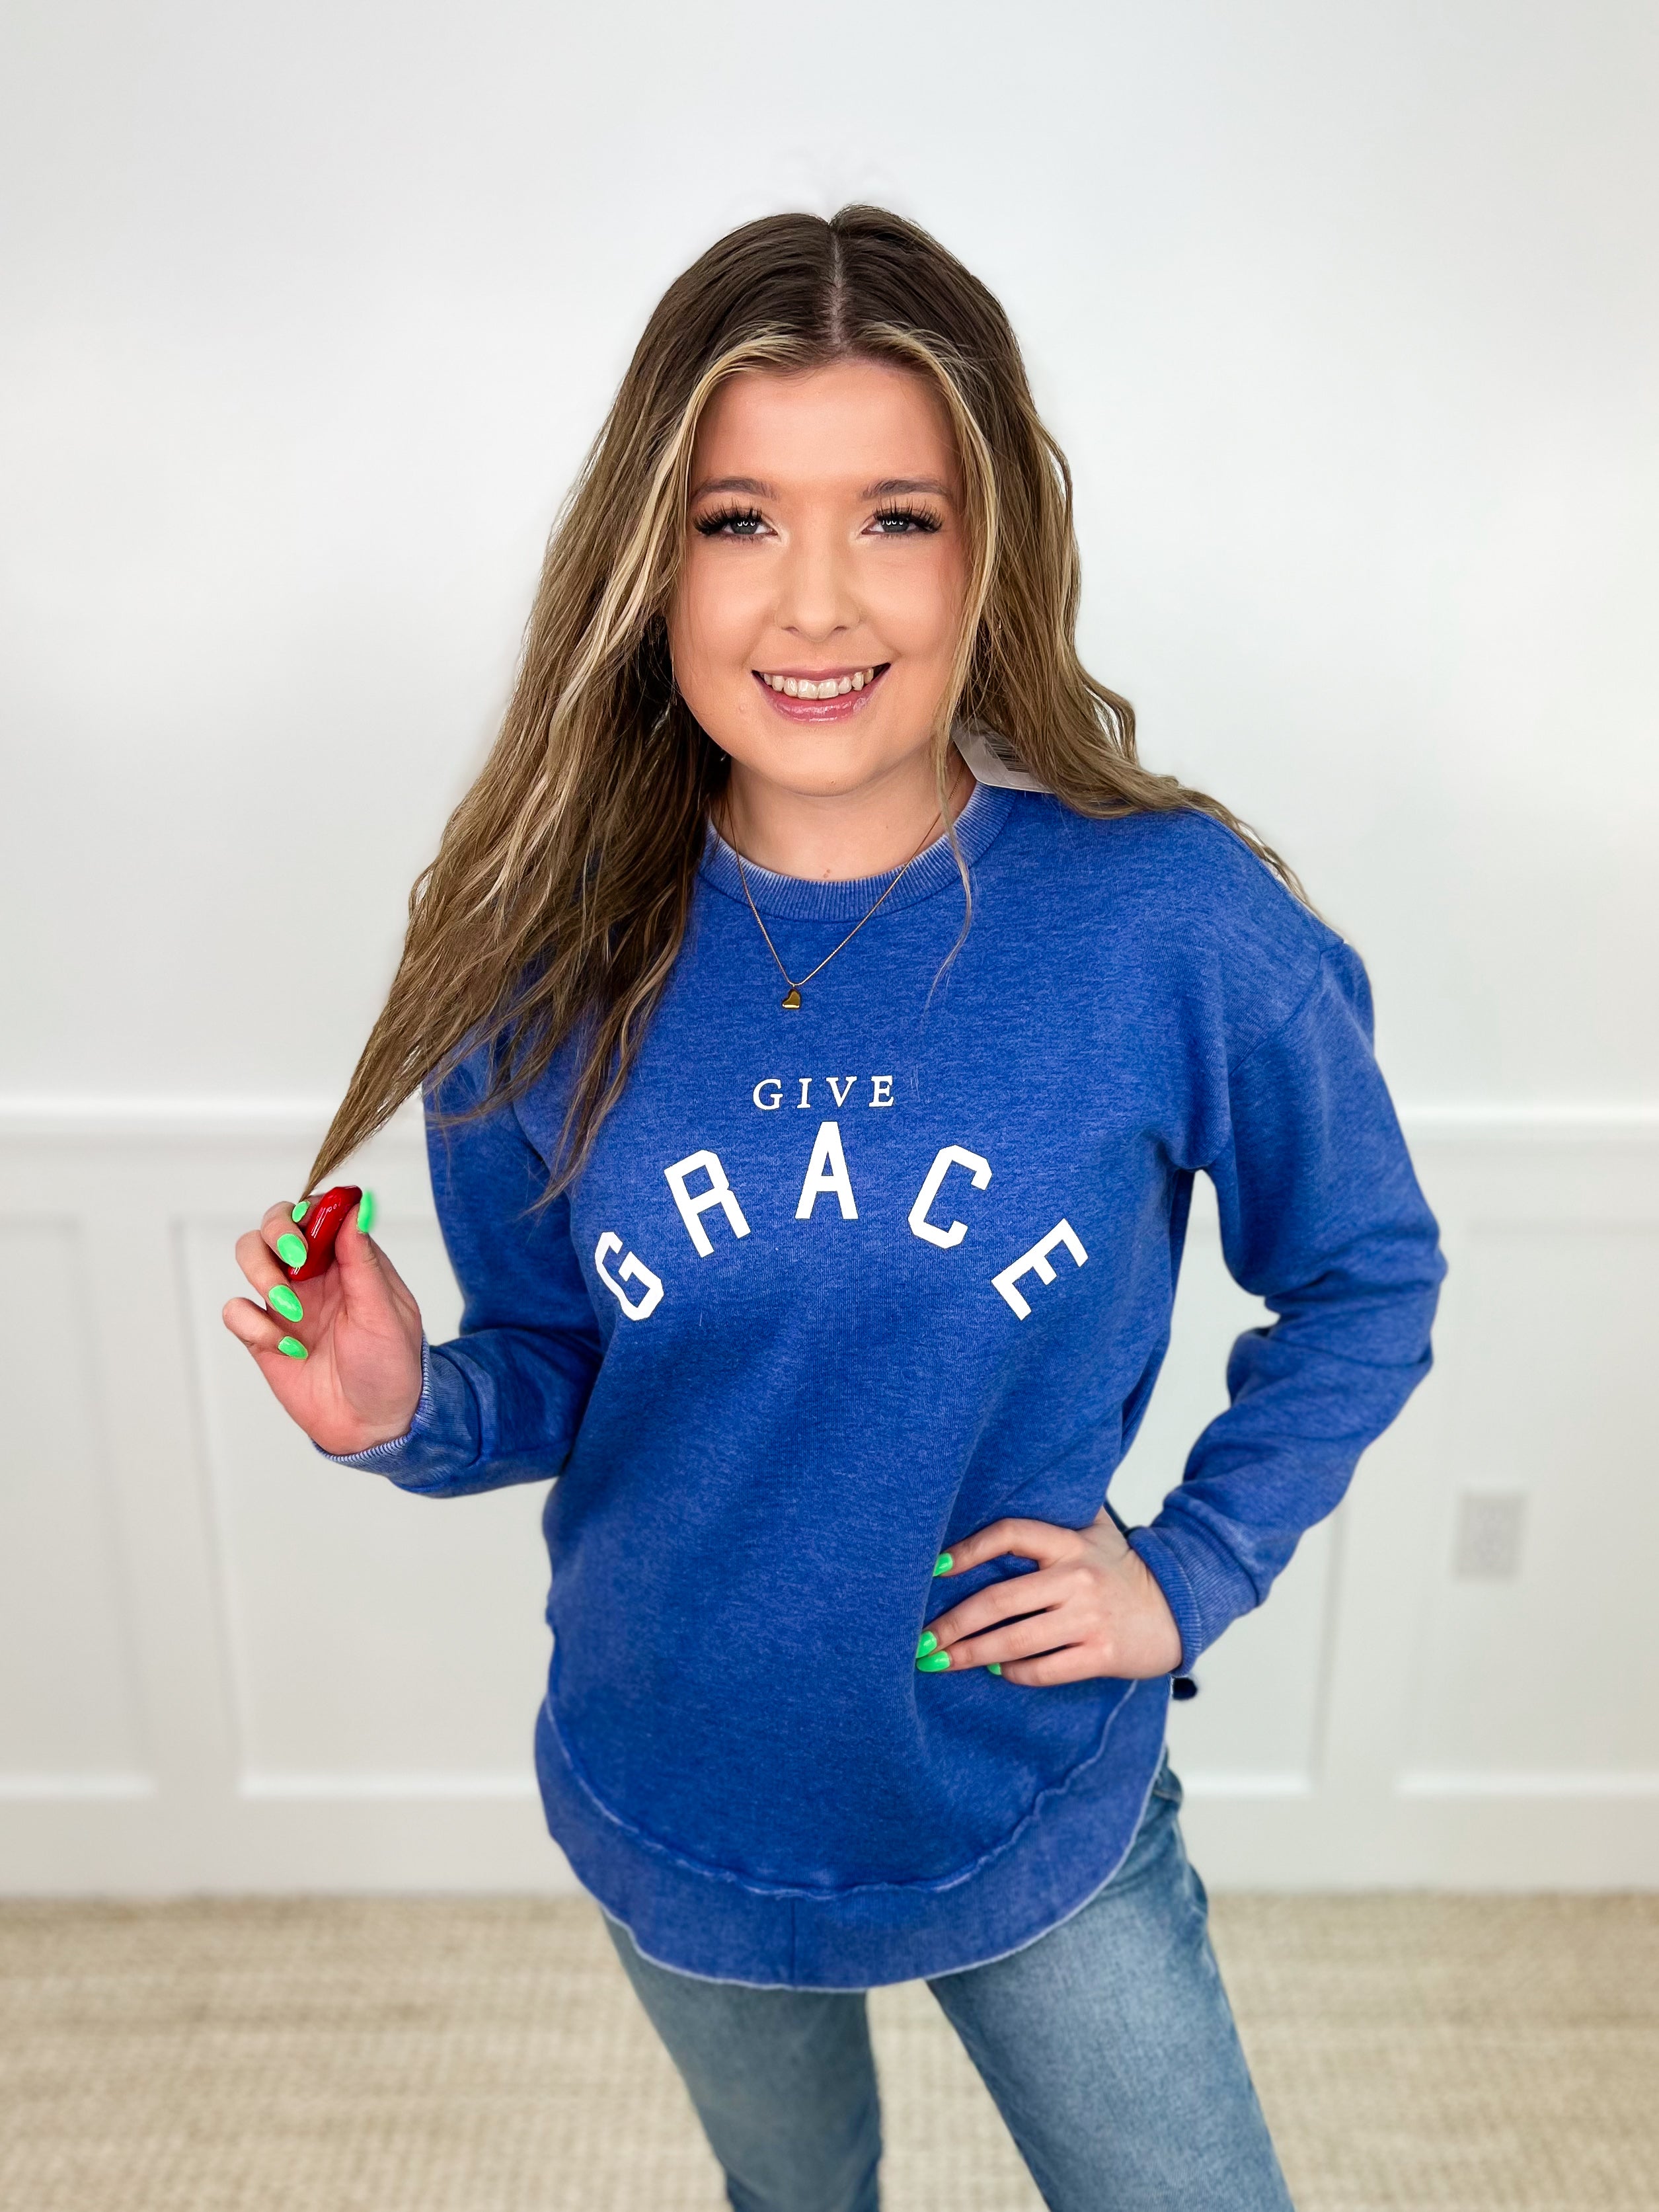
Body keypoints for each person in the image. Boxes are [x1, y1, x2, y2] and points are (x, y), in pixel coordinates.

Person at [224, 206, 1444, 2211]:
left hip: (1024, 1773)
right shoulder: (541, 957)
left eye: (894, 517)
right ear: (653, 557)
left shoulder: (1165, 925)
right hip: (676, 1787)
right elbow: (566, 1367)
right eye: (739, 521)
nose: (813, 601)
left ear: (990, 550)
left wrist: (1190, 1569)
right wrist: (404, 1404)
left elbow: (1367, 1275)